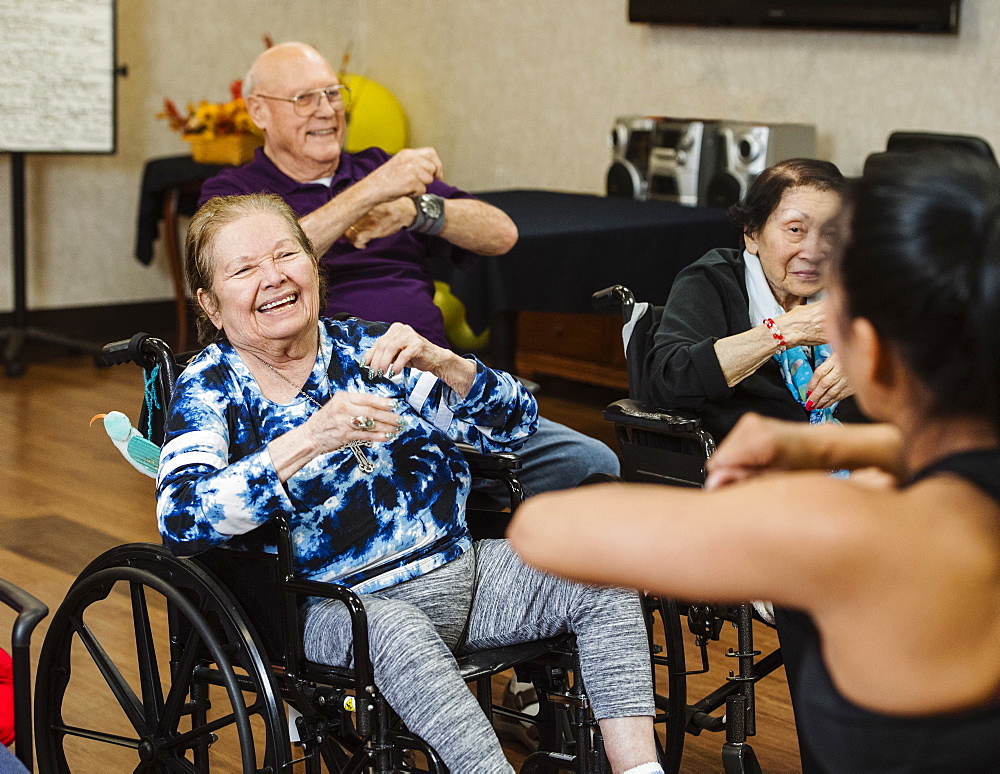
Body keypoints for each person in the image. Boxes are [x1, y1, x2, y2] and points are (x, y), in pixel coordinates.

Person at [509, 150, 1000, 773]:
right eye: (795, 228)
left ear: (869, 355)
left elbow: (544, 532)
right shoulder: (713, 285)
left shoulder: (836, 533)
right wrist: (840, 442)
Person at [156, 193, 659, 773]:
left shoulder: (365, 349)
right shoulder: (212, 388)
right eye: (244, 270)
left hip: (463, 572)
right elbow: (181, 517)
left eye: (285, 254)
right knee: (396, 633)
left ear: (313, 267)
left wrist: (447, 364)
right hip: (337, 606)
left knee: (601, 571)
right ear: (212, 306)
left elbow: (514, 425)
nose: (273, 277)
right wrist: (311, 438)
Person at [198, 41, 621, 501]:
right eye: (305, 99)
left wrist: (417, 210)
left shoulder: (376, 166)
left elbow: (501, 234)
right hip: (336, 397)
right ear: (258, 110)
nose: (326, 111)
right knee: (410, 478)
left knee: (591, 462)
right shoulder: (235, 194)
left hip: (434, 380)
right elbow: (274, 263)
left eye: (333, 94)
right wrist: (372, 190)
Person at [644, 157, 858, 442]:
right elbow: (671, 380)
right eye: (795, 230)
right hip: (748, 468)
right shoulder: (711, 281)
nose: (814, 251)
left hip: (857, 460)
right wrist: (784, 331)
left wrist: (864, 364)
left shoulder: (854, 284)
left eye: (831, 233)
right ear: (752, 234)